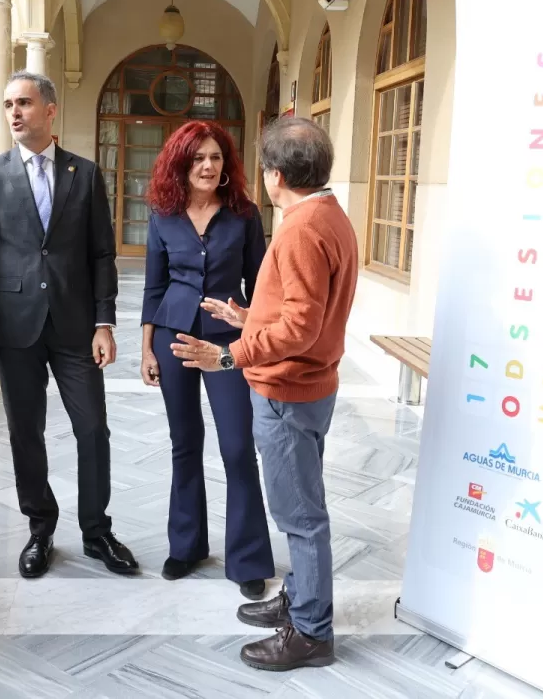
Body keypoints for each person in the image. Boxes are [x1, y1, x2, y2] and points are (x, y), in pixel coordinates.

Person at [172, 117, 358, 672]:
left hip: (287, 391)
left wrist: (230, 354)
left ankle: (311, 632)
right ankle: (300, 599)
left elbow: (300, 327)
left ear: (275, 174)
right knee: (303, 504)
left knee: (300, 516)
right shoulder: (329, 214)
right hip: (310, 385)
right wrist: (250, 317)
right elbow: (306, 312)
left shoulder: (300, 229)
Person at [0, 70, 138, 578]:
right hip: (14, 326)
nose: (14, 112)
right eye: (8, 104)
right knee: (25, 432)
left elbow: (102, 253)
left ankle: (97, 531)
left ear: (50, 110)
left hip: (76, 324)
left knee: (93, 428)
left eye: (24, 102)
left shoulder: (85, 173)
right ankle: (40, 527)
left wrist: (104, 322)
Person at [140, 121, 274, 599]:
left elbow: (263, 285)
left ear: (226, 164)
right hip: (173, 336)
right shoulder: (163, 215)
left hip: (226, 342)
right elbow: (154, 286)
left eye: (215, 157)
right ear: (182, 163)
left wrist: (251, 324)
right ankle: (186, 546)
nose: (208, 165)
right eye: (198, 158)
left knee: (237, 446)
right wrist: (146, 348)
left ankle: (248, 559)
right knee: (184, 441)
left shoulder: (244, 214)